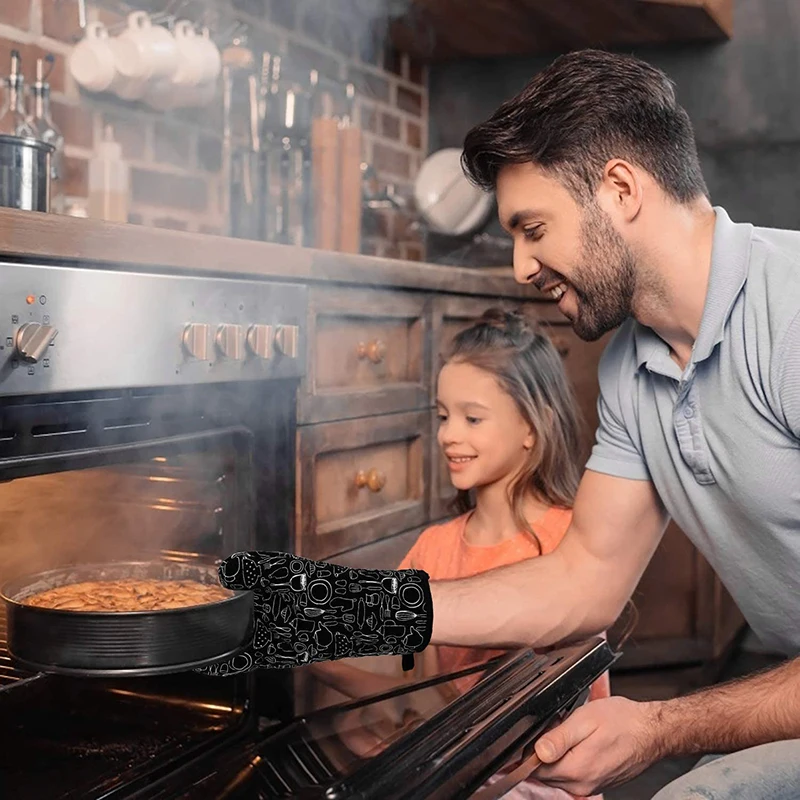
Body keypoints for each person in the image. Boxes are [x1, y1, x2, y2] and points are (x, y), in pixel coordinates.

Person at [205, 48, 800, 800]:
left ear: (619, 189)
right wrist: (351, 610)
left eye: (533, 227)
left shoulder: (792, 317)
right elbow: (583, 579)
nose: (522, 266)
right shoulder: (629, 368)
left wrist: (657, 727)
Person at [309, 307, 613, 800]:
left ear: (531, 428)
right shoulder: (434, 548)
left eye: (473, 418)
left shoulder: (573, 546)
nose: (449, 434)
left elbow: (540, 732)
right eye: (444, 416)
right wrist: (315, 660)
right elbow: (427, 707)